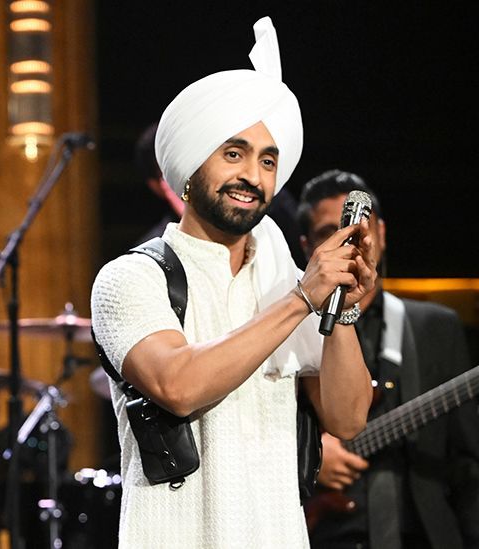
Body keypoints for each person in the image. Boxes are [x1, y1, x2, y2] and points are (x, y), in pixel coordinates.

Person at [91, 17, 375, 547]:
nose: (254, 176)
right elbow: (178, 387)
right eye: (233, 153)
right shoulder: (130, 278)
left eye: (268, 161)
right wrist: (302, 299)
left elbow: (348, 417)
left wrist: (342, 310)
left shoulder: (284, 279)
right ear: (188, 169)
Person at [297, 170, 479, 549]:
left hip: (424, 534)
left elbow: (468, 459)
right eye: (328, 232)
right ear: (306, 247)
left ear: (380, 232)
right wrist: (307, 456)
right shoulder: (289, 327)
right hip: (322, 536)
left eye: (357, 229)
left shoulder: (434, 327)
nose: (347, 242)